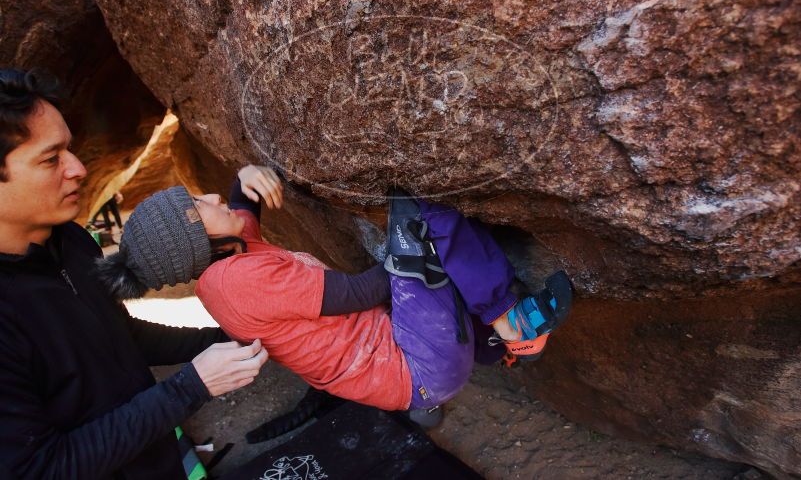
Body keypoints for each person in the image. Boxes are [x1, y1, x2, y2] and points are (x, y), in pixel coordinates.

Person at [98, 163, 574, 413]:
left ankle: (493, 346)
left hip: (413, 367)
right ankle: (513, 324)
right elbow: (360, 293)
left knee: (418, 265)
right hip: (418, 368)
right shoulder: (238, 283)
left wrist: (246, 176)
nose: (212, 198)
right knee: (419, 223)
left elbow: (244, 208)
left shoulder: (224, 259)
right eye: (198, 207)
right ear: (195, 242)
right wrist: (402, 246)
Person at [0, 69, 269, 479]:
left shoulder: (70, 241)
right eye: (51, 159)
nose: (78, 169)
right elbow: (38, 468)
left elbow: (121, 336)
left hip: (157, 459)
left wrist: (236, 334)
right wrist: (189, 388)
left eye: (69, 149)